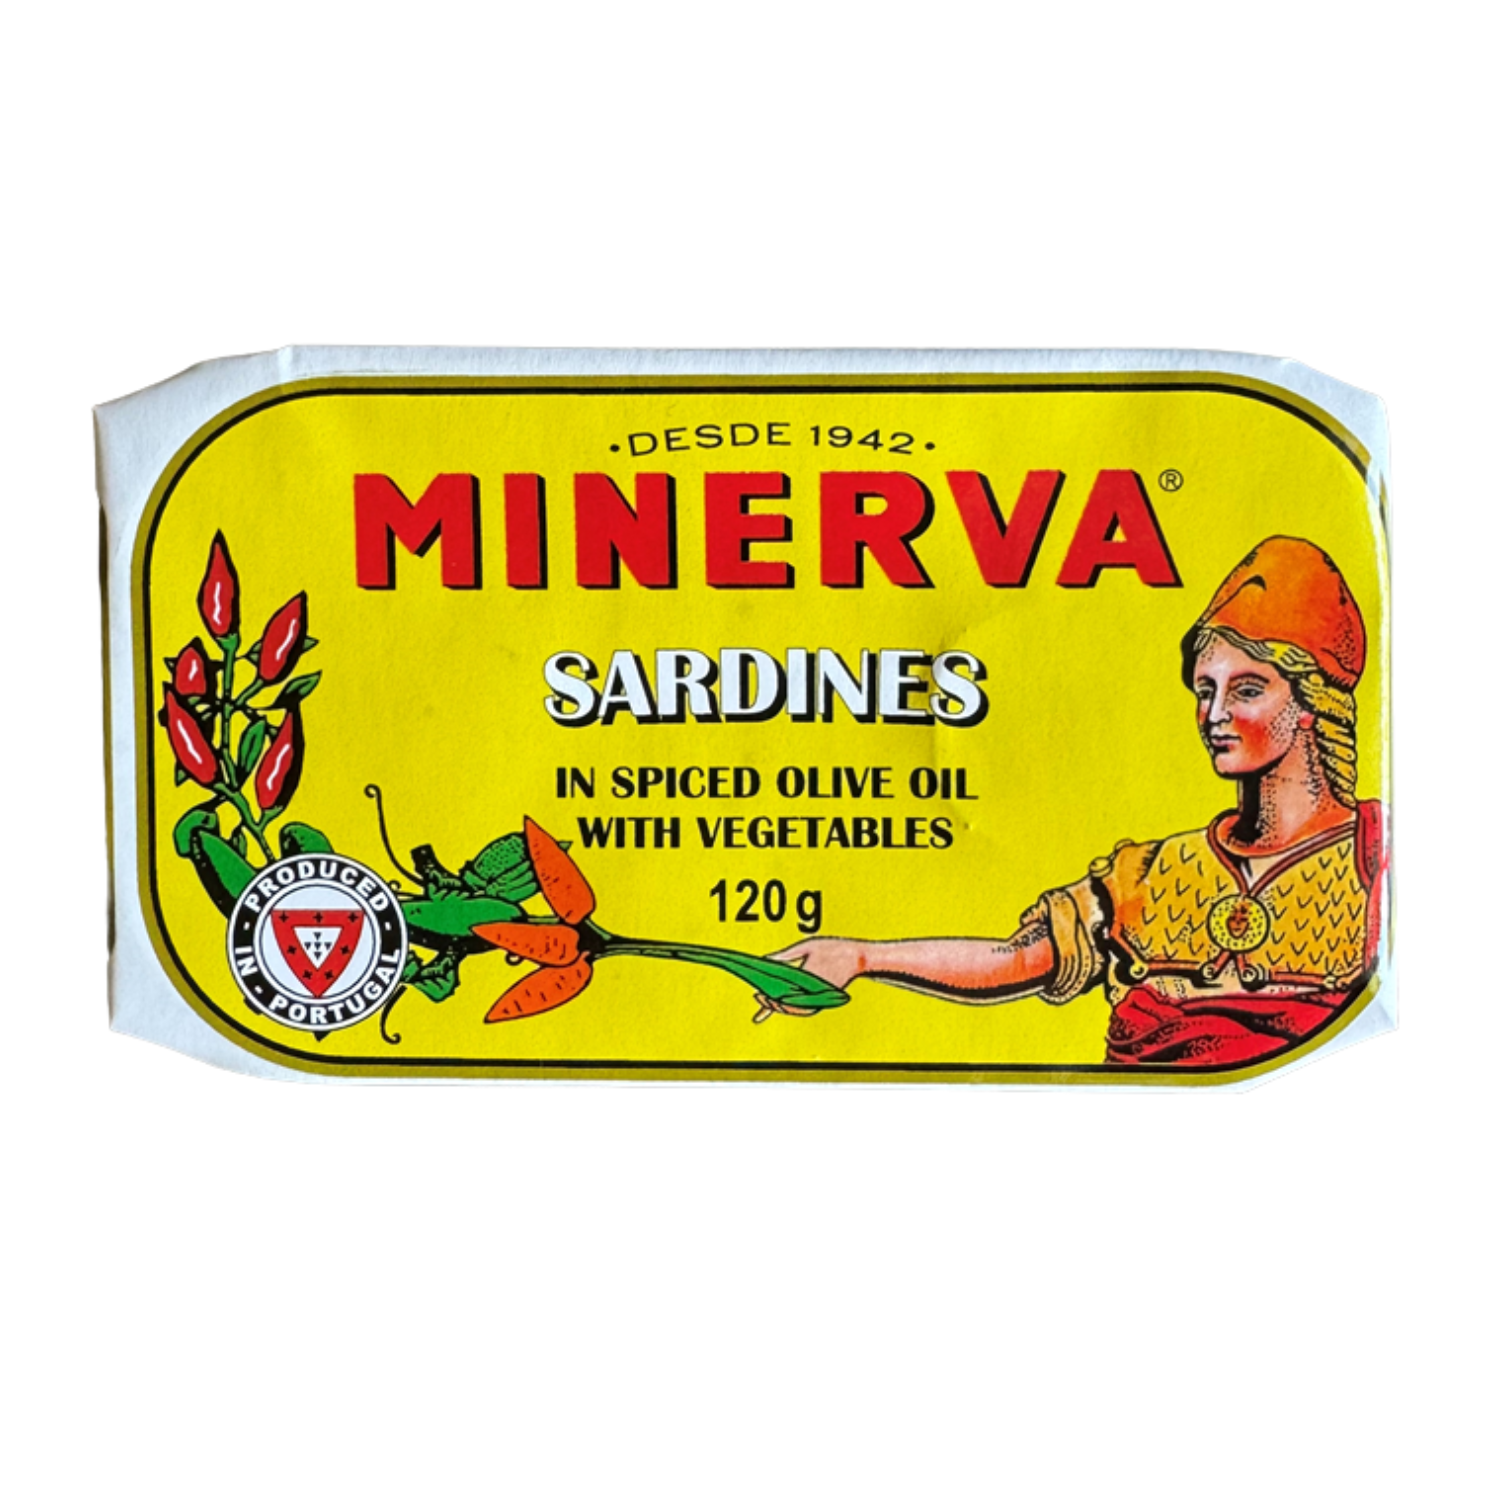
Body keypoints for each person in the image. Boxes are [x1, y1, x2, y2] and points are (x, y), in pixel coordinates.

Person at [770, 536, 1386, 1067]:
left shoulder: (1377, 860)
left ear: (1312, 706)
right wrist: (857, 957)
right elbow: (1015, 960)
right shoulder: (1149, 873)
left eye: (1246, 690)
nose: (1214, 714)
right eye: (1205, 690)